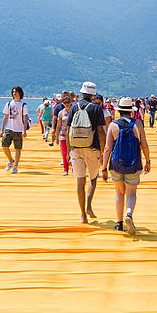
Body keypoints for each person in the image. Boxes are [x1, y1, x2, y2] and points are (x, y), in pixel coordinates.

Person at [101, 97, 152, 235]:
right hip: (133, 163)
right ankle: (129, 214)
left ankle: (119, 223)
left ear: (119, 111)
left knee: (119, 192)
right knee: (131, 192)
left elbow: (107, 148)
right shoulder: (138, 124)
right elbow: (144, 145)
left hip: (116, 164)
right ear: (131, 111)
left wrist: (104, 167)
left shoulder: (113, 125)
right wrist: (148, 161)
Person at [68, 82, 107, 224]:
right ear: (93, 94)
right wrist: (103, 151)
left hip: (76, 148)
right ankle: (89, 205)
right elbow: (101, 132)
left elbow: (68, 130)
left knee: (80, 182)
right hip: (92, 147)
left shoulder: (73, 106)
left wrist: (68, 150)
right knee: (93, 178)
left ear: (82, 92)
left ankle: (82, 215)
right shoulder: (97, 109)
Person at [0, 86, 30, 174]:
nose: (14, 93)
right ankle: (10, 160)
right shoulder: (9, 104)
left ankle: (16, 166)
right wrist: (2, 129)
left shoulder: (23, 105)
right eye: (13, 92)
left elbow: (25, 118)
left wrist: (24, 130)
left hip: (19, 129)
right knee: (4, 145)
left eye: (16, 92)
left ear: (20, 93)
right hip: (9, 128)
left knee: (18, 148)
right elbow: (5, 117)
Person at [51, 91, 73, 175]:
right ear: (62, 103)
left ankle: (73, 167)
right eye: (65, 103)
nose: (66, 104)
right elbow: (58, 125)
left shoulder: (73, 111)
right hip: (63, 135)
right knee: (64, 153)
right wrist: (56, 136)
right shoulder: (61, 113)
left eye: (68, 102)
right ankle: (65, 169)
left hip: (72, 135)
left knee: (72, 152)